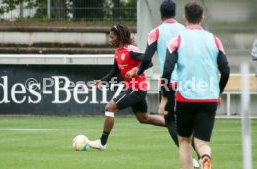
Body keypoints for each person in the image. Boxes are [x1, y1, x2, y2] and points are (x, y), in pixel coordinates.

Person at [126, 0, 199, 167]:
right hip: (189, 82)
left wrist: (138, 70)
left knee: (170, 121)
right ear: (175, 13)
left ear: (161, 15)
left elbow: (146, 57)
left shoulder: (156, 32)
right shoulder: (185, 30)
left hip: (169, 82)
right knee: (188, 121)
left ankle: (191, 160)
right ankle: (203, 154)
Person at [160, 2, 230, 169]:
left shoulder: (177, 40)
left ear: (185, 18)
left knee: (184, 140)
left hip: (185, 97)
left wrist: (164, 99)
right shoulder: (214, 39)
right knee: (202, 142)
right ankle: (205, 157)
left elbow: (167, 71)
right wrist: (218, 93)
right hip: (209, 98)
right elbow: (225, 70)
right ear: (202, 18)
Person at [88, 23, 166, 150]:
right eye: (109, 37)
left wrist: (136, 69)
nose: (110, 40)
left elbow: (149, 62)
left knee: (110, 107)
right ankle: (173, 125)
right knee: (143, 118)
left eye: (112, 37)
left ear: (119, 37)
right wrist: (102, 81)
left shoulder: (131, 50)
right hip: (133, 87)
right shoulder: (118, 52)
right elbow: (114, 71)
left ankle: (102, 143)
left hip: (137, 87)